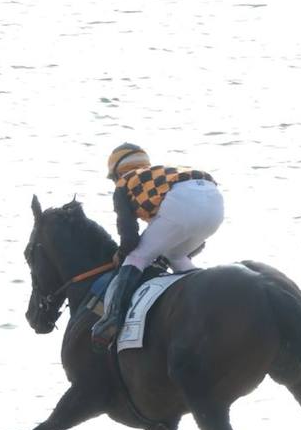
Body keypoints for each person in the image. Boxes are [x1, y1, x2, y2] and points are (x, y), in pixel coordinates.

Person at [91, 142, 225, 350]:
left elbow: (129, 238)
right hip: (215, 202)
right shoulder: (158, 176)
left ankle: (112, 320)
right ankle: (206, 298)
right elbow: (180, 238)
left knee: (136, 257)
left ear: (118, 174)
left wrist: (122, 254)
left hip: (183, 203)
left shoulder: (124, 183)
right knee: (176, 255)